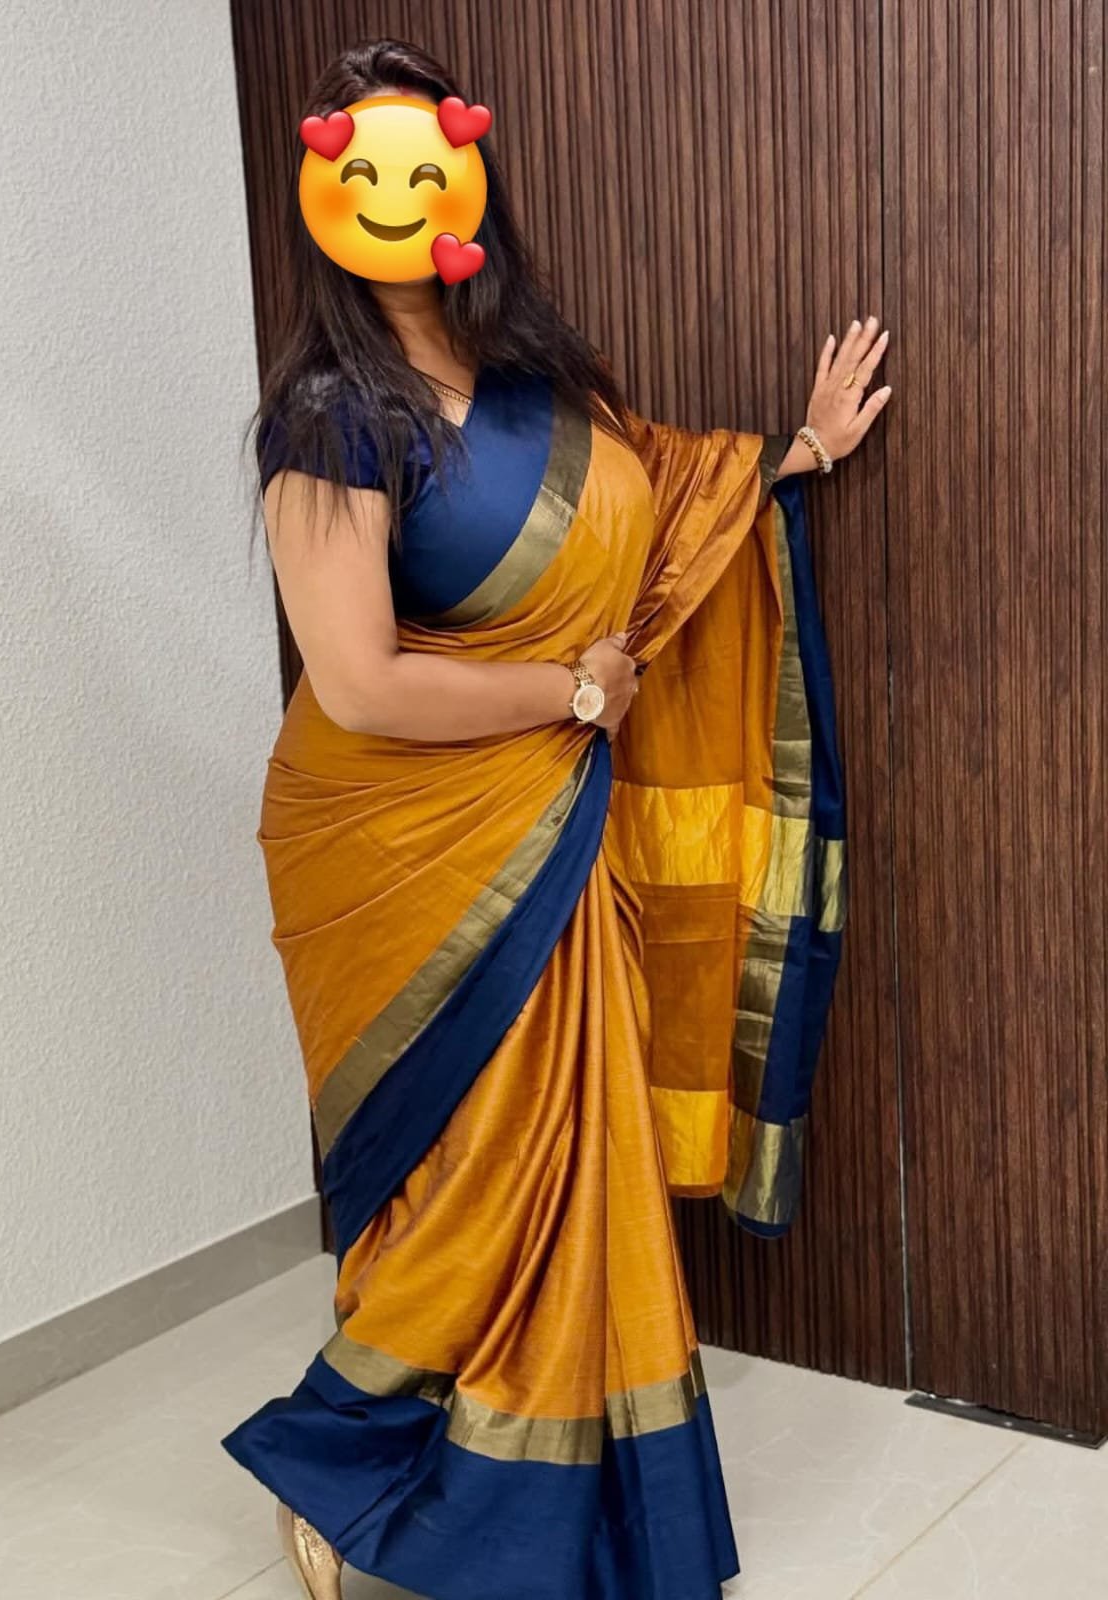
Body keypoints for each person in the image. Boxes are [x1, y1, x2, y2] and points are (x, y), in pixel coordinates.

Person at [220, 36, 890, 1600]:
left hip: (549, 820)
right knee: (468, 1170)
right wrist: (572, 695)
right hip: (398, 846)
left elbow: (663, 518)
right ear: (325, 194)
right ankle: (342, 1458)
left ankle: (523, 1497)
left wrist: (793, 454)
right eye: (365, 168)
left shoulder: (543, 385)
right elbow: (359, 684)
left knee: (561, 1155)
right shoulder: (329, 412)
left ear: (469, 182)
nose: (399, 194)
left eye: (425, 163)